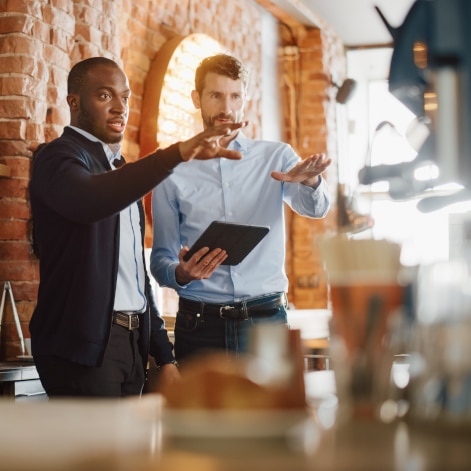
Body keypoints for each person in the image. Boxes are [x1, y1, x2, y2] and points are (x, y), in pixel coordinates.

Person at [28, 56, 247, 398]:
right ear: (74, 102)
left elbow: (135, 276)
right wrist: (176, 154)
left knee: (130, 452)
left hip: (131, 347)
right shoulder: (56, 158)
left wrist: (164, 354)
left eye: (125, 97)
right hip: (82, 352)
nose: (119, 108)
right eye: (104, 96)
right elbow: (90, 200)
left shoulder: (119, 170)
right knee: (100, 452)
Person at [150, 53, 331, 362]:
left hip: (266, 322)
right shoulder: (173, 168)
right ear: (197, 98)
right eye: (216, 96)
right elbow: (160, 260)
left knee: (272, 412)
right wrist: (181, 273)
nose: (227, 108)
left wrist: (311, 182)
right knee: (200, 413)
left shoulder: (276, 157)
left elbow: (316, 209)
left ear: (245, 98)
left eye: (235, 96)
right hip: (200, 326)